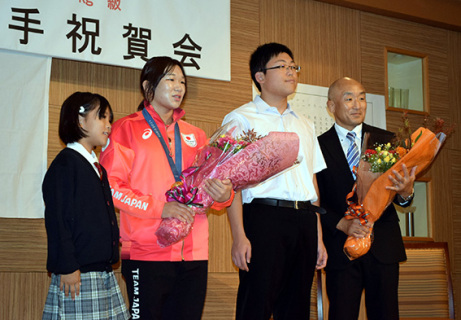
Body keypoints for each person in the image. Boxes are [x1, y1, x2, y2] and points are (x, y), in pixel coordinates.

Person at [99, 56, 234, 320]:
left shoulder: (196, 135)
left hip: (194, 254)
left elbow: (208, 190)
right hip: (144, 251)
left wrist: (224, 196)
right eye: (170, 79)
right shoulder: (126, 129)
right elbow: (112, 188)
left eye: (182, 81)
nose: (179, 87)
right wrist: (161, 208)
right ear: (148, 86)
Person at [222, 42, 328, 320]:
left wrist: (318, 237)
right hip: (264, 218)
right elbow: (230, 182)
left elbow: (311, 181)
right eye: (283, 66)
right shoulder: (240, 119)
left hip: (304, 220)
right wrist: (239, 236)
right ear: (260, 76)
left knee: (296, 308)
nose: (291, 72)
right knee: (256, 304)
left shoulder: (305, 124)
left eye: (294, 66)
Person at [316, 77, 416, 320]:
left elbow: (402, 199)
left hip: (383, 246)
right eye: (349, 99)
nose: (357, 104)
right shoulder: (317, 146)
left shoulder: (388, 140)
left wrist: (406, 192)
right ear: (331, 106)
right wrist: (341, 223)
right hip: (341, 248)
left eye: (362, 98)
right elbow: (314, 202)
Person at [42, 92, 129, 320]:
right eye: (102, 117)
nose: (108, 125)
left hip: (101, 272)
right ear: (80, 121)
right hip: (78, 275)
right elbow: (58, 219)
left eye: (110, 119)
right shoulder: (66, 164)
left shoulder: (97, 167)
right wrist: (67, 267)